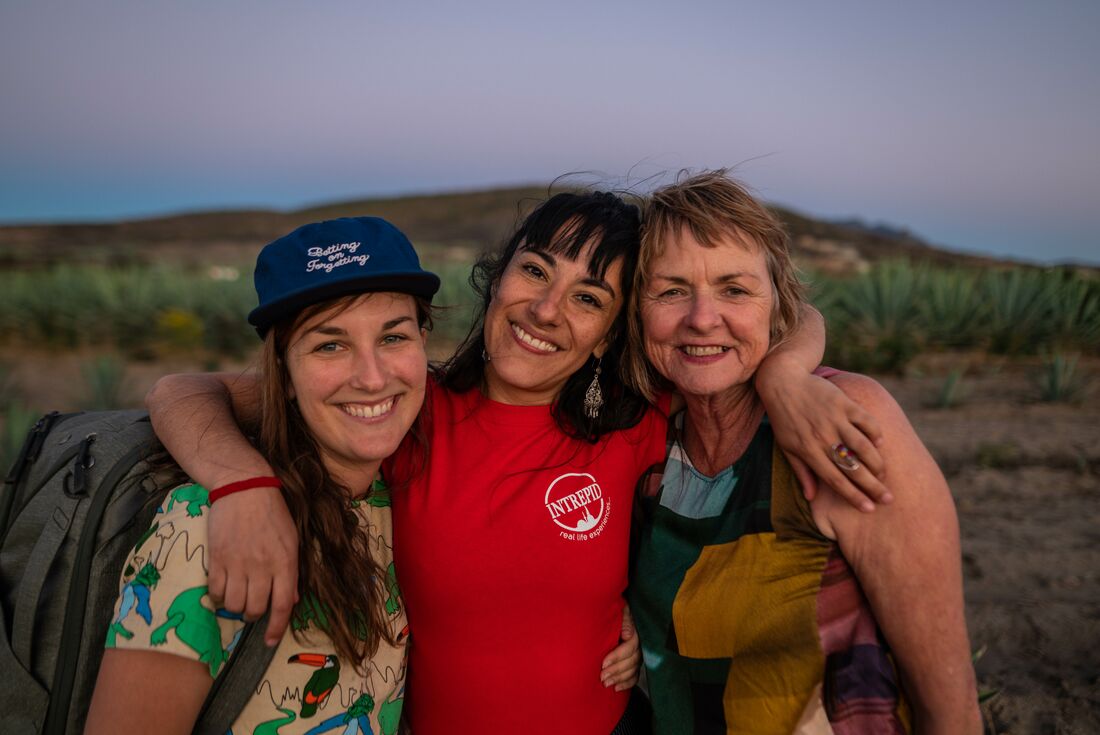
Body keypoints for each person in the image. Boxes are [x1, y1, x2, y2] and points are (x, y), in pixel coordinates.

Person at [145, 190, 890, 733]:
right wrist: (242, 483)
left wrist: (788, 374)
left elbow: (786, 316)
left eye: (588, 297)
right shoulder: (406, 408)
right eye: (535, 272)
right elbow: (183, 390)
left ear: (607, 336)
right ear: (497, 278)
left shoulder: (635, 424)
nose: (546, 310)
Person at [625, 171, 982, 734]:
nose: (701, 317)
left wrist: (785, 375)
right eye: (670, 290)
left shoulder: (841, 420)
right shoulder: (644, 444)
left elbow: (952, 706)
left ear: (777, 304)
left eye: (735, 290)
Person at [85, 216, 441, 735]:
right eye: (329, 345)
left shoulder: (406, 486)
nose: (372, 377)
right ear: (285, 372)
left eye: (393, 337)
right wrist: (244, 487)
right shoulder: (206, 528)